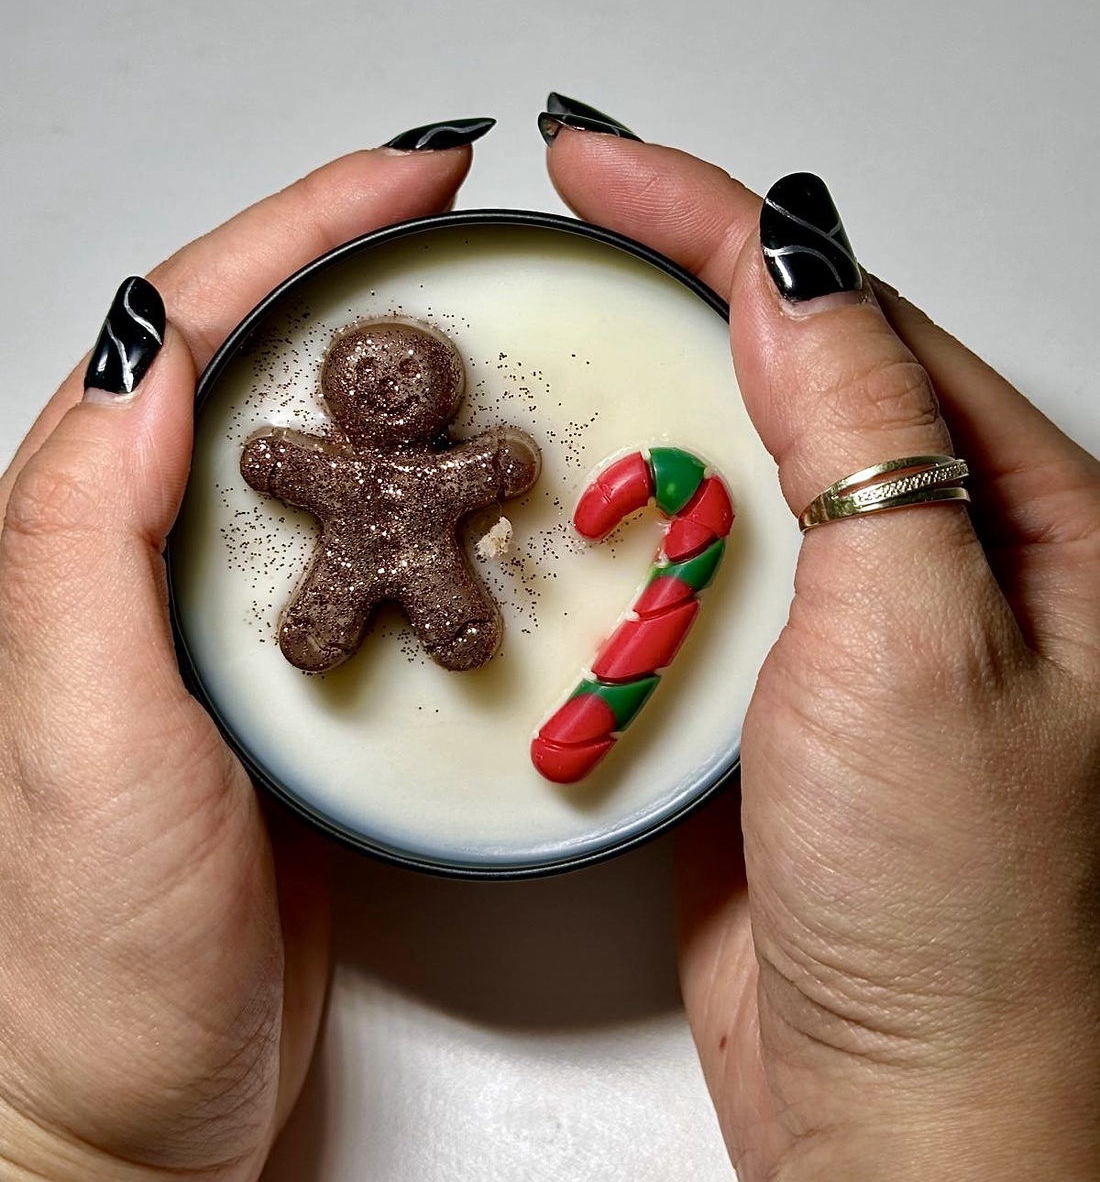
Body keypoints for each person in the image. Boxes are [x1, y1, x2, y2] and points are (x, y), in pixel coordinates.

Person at [0, 98, 1096, 1182]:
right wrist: (952, 1102)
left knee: (449, 616)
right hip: (363, 616)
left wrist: (68, 1145)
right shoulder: (322, 465)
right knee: (353, 617)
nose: (383, 386)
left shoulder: (459, 467)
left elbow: (501, 467)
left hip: (468, 614)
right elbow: (283, 464)